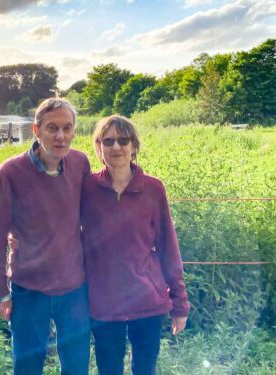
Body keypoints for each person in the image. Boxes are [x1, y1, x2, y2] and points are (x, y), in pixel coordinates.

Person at [0, 98, 91, 375]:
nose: (60, 136)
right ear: (36, 130)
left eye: (67, 128)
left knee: (77, 365)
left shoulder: (81, 163)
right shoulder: (10, 173)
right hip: (29, 288)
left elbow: (91, 218)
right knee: (28, 365)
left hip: (74, 287)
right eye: (52, 128)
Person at [81, 115, 189, 375]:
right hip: (103, 301)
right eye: (108, 141)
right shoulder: (86, 188)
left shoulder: (153, 189)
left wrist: (179, 303)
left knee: (144, 368)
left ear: (134, 147)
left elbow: (168, 247)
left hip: (147, 298)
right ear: (98, 148)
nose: (116, 147)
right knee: (108, 369)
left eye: (123, 140)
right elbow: (62, 228)